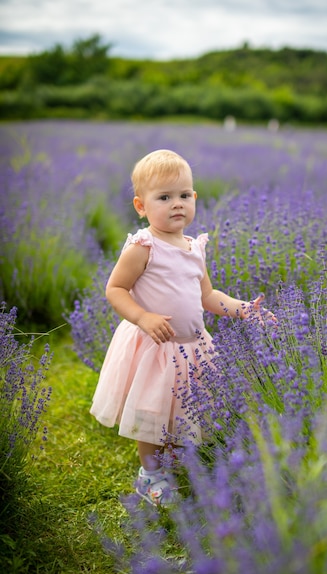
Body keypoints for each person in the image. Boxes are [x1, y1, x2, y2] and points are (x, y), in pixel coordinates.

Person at [91, 149, 271, 507]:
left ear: (195, 199)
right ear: (141, 206)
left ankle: (172, 459)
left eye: (184, 195)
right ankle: (150, 474)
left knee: (178, 408)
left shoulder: (194, 247)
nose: (177, 204)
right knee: (152, 413)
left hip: (191, 345)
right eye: (165, 197)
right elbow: (115, 289)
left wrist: (243, 310)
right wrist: (143, 317)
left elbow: (207, 295)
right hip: (155, 346)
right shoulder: (143, 246)